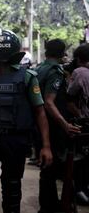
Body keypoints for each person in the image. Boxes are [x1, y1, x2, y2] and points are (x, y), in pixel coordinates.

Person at [0, 27, 53, 213]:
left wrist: (46, 146)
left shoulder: (26, 77)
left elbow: (40, 112)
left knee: (12, 188)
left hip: (16, 141)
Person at [35, 39, 81, 213]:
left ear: (46, 52)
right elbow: (49, 102)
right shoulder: (55, 71)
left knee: (47, 167)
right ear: (62, 54)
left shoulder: (38, 69)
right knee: (52, 168)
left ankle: (49, 205)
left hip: (39, 126)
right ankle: (50, 207)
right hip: (53, 127)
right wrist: (65, 125)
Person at [67, 44, 89, 205]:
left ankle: (80, 191)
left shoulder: (80, 72)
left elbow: (70, 95)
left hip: (85, 122)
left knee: (81, 159)